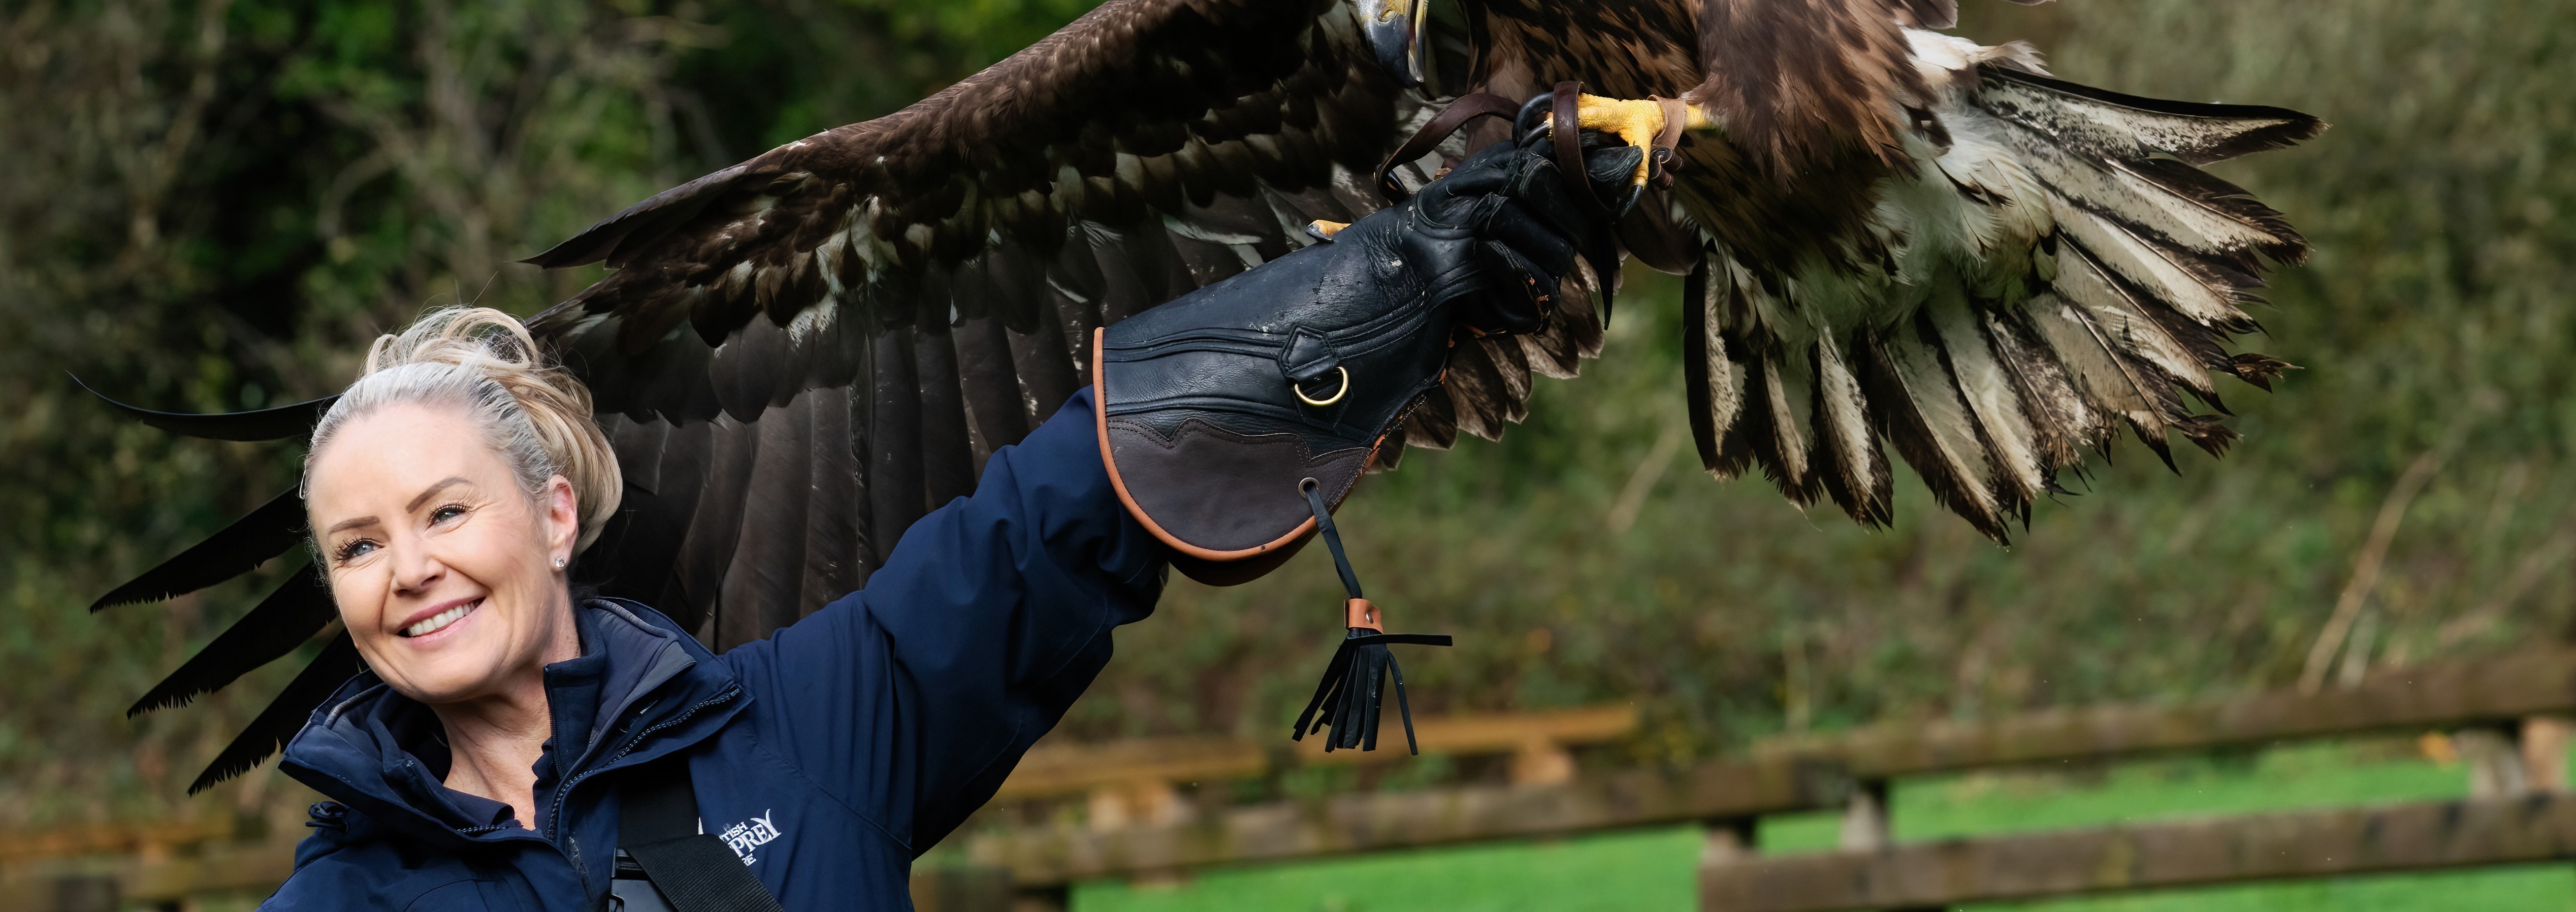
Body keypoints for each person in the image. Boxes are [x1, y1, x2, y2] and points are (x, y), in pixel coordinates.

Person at [267, 135, 1624, 909]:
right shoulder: (344, 898)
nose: (410, 570)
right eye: (358, 546)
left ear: (557, 516)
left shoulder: (811, 725)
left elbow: (1040, 534)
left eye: (445, 511)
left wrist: (1376, 290)